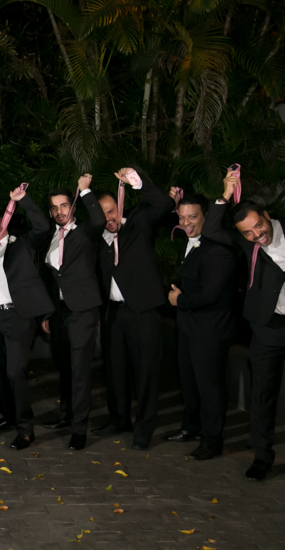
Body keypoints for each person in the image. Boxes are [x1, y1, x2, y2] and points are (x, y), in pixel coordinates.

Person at [202, 170, 285, 481]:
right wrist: (224, 196)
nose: (257, 235)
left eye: (259, 226)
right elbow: (211, 229)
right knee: (262, 393)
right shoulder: (247, 243)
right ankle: (262, 455)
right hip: (267, 326)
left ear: (267, 216)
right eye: (248, 233)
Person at [89, 168, 173, 450]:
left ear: (120, 207)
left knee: (145, 372)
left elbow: (164, 204)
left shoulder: (138, 222)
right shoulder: (96, 239)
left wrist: (137, 182)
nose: (108, 217)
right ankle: (118, 418)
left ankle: (144, 427)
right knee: (115, 370)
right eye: (102, 214)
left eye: (111, 210)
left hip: (143, 311)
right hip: (112, 314)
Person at [0, 186, 54, 450]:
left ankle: (25, 429)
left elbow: (43, 226)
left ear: (5, 220)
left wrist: (24, 201)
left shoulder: (21, 243)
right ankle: (9, 416)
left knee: (14, 372)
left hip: (19, 315)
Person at [165, 192, 236, 460]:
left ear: (207, 216)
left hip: (210, 330)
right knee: (189, 383)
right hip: (189, 327)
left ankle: (212, 441)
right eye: (182, 217)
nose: (186, 223)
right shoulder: (190, 242)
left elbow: (210, 294)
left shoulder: (218, 249)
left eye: (192, 217)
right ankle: (191, 427)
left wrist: (179, 300)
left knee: (210, 388)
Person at [40, 175, 106, 450]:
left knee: (80, 371)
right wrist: (47, 313)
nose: (59, 211)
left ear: (73, 207)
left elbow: (100, 220)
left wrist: (86, 190)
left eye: (64, 205)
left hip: (82, 311)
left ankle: (80, 429)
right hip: (58, 312)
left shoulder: (86, 232)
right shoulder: (50, 238)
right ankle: (67, 415)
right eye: (54, 207)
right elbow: (50, 279)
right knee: (65, 367)